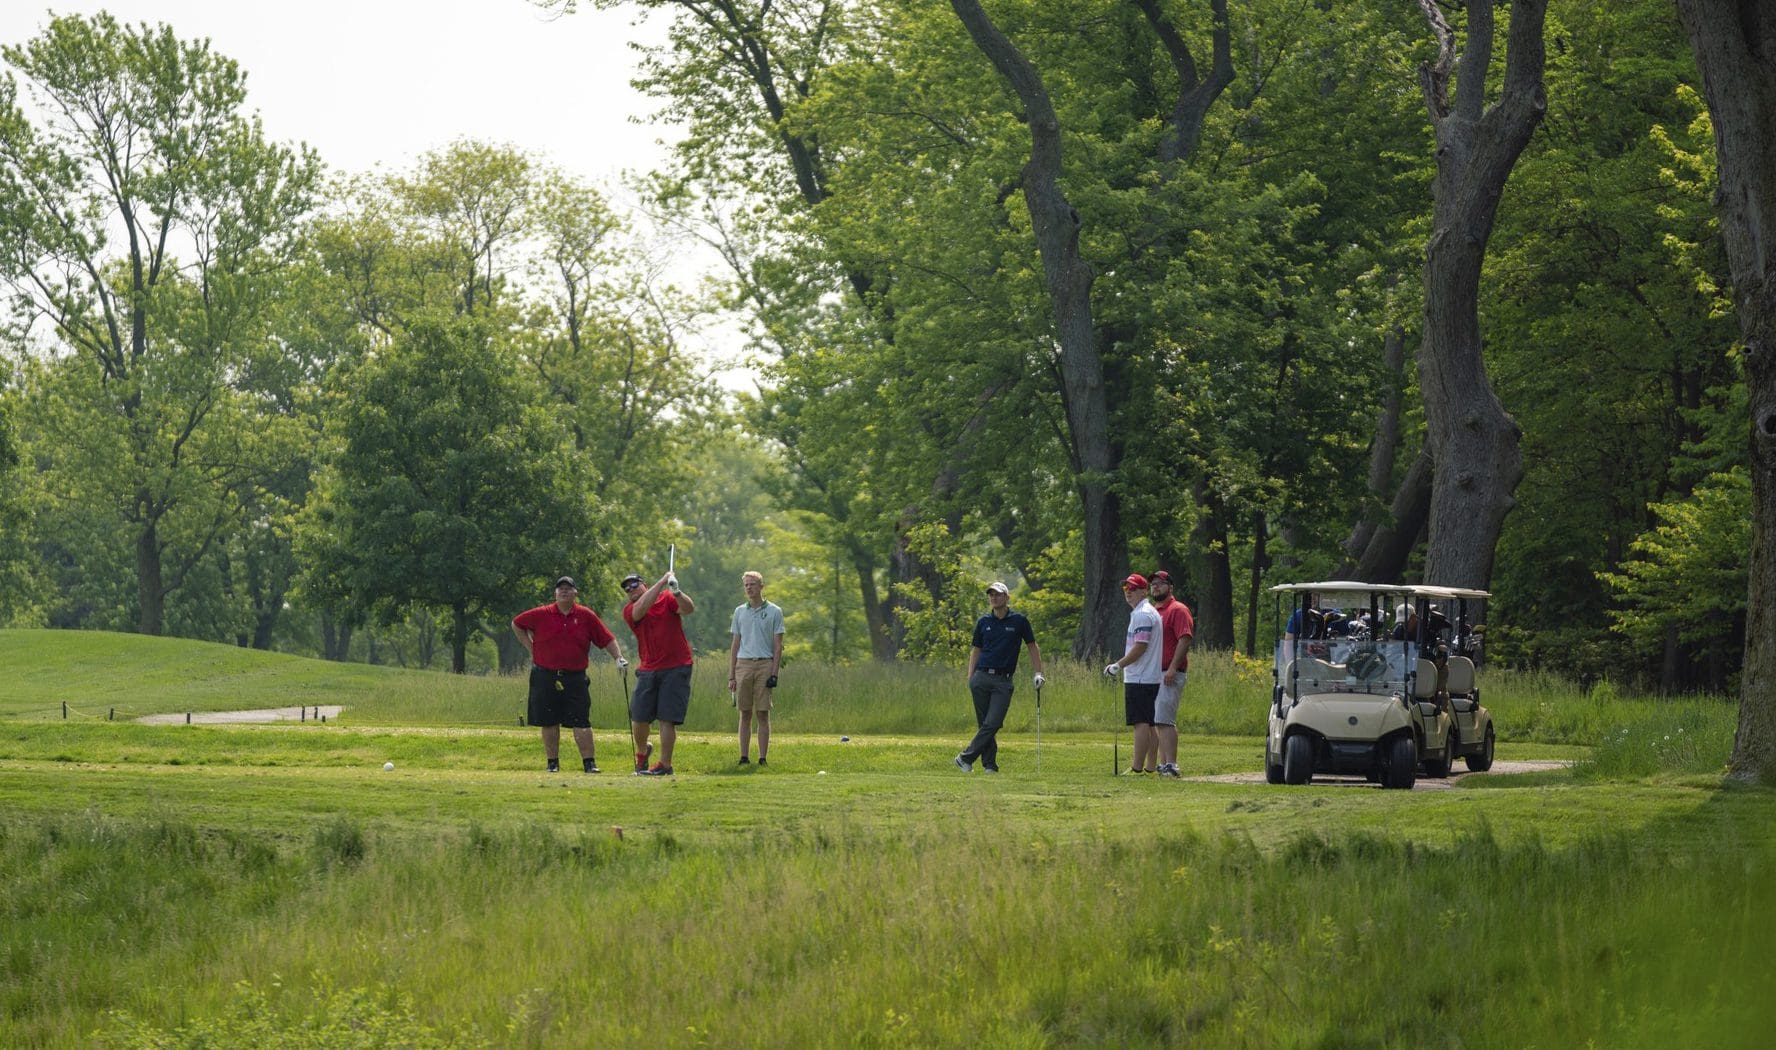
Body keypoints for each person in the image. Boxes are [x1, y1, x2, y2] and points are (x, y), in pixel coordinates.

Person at [512, 576, 626, 773]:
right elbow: (517, 624)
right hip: (545, 675)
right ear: (555, 594)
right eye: (560, 589)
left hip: (575, 676)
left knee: (581, 720)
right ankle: (552, 763)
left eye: (568, 588)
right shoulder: (541, 613)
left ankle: (589, 763)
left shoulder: (586, 615)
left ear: (575, 593)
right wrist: (532, 649)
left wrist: (618, 657)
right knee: (548, 720)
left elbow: (607, 638)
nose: (564, 591)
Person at [955, 581, 1044, 773]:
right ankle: (990, 766)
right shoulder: (983, 622)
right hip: (981, 677)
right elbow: (975, 650)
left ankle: (965, 757)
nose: (994, 598)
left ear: (1006, 597)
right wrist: (970, 678)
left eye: (998, 594)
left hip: (1003, 680)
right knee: (984, 724)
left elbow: (1032, 647)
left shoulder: (1019, 621)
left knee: (993, 722)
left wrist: (1038, 672)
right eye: (991, 595)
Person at [621, 569, 696, 776]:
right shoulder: (630, 609)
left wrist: (677, 591)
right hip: (648, 668)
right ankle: (643, 752)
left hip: (677, 665)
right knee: (639, 716)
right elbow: (639, 611)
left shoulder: (667, 599)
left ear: (643, 584)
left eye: (634, 585)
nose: (631, 590)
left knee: (666, 717)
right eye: (627, 588)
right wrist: (662, 580)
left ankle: (665, 764)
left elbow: (689, 609)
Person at [1105, 573, 1163, 775]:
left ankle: (1137, 768)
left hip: (1140, 676)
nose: (1128, 592)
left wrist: (1117, 665)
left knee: (1140, 723)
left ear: (1143, 591)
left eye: (1132, 589)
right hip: (1148, 676)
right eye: (1126, 589)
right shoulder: (1148, 612)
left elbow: (1140, 647)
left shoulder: (1142, 614)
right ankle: (1150, 767)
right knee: (1149, 723)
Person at [727, 570, 784, 766]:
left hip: (764, 663)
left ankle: (762, 757)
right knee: (744, 712)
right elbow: (735, 644)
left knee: (762, 712)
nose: (749, 588)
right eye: (746, 585)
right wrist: (731, 675)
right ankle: (743, 756)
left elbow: (778, 645)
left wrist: (774, 673)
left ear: (761, 586)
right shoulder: (739, 612)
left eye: (752, 584)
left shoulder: (775, 611)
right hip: (743, 663)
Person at [1149, 570, 1194, 779]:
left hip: (1170, 672)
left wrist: (1173, 668)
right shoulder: (1155, 612)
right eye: (1153, 584)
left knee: (1165, 720)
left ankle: (1171, 764)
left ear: (1170, 587)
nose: (1156, 586)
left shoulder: (1178, 610)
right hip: (1155, 673)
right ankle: (1163, 763)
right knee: (1158, 719)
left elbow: (1184, 639)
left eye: (1160, 583)